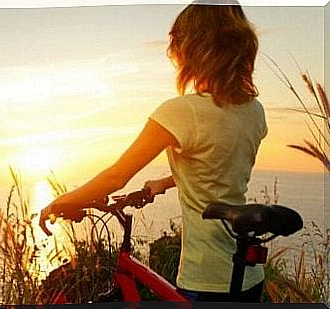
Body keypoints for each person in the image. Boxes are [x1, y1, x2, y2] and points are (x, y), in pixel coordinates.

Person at [40, 0, 267, 303]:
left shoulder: (182, 112)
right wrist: (164, 182)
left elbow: (116, 176)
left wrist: (60, 201)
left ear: (195, 48)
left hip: (206, 277)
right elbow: (216, 163)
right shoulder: (254, 111)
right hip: (248, 275)